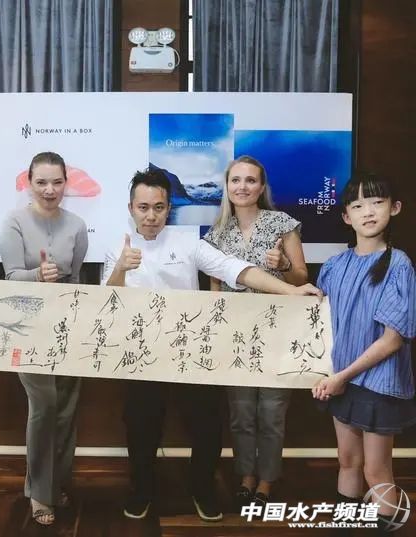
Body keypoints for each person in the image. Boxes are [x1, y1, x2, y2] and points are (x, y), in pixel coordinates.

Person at [103, 168, 321, 522]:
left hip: (190, 350)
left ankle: (202, 488)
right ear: (131, 208)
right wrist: (120, 270)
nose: (151, 215)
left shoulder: (188, 242)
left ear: (168, 207)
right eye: (143, 207)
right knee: (141, 425)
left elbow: (237, 269)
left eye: (158, 207)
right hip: (140, 355)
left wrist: (290, 290)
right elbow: (105, 303)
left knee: (205, 424)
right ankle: (141, 490)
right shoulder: (118, 247)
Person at [312, 173, 415, 531]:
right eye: (357, 205)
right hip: (341, 381)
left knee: (376, 469)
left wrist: (340, 377)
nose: (368, 212)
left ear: (394, 208)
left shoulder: (399, 264)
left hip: (377, 383)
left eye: (377, 203)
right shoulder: (334, 265)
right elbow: (318, 324)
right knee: (347, 461)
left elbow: (393, 340)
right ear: (346, 216)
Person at [204, 155, 309, 509]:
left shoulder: (282, 223)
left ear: (262, 187)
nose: (243, 187)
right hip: (236, 337)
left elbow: (301, 278)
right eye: (236, 180)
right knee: (242, 414)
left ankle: (267, 480)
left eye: (250, 180)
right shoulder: (217, 233)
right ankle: (246, 476)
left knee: (272, 414)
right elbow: (215, 288)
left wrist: (284, 265)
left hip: (278, 334)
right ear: (227, 186)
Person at [0, 151, 88, 526]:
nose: (50, 189)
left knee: (67, 407)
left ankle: (56, 484)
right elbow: (10, 277)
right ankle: (38, 491)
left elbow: (76, 277)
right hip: (27, 323)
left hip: (67, 322)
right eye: (41, 182)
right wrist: (37, 275)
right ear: (28, 182)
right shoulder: (14, 221)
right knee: (44, 405)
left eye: (57, 182)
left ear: (66, 183)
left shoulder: (77, 225)